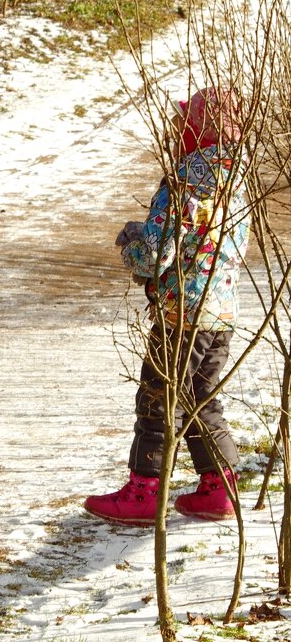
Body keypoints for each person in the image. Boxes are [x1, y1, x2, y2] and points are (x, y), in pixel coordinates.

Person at [85, 86, 251, 525]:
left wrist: (131, 248)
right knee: (202, 396)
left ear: (200, 126)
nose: (177, 129)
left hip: (182, 311)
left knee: (159, 396)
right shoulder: (235, 179)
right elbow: (207, 238)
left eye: (184, 121)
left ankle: (145, 491)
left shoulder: (184, 178)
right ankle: (218, 486)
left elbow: (159, 253)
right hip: (221, 312)